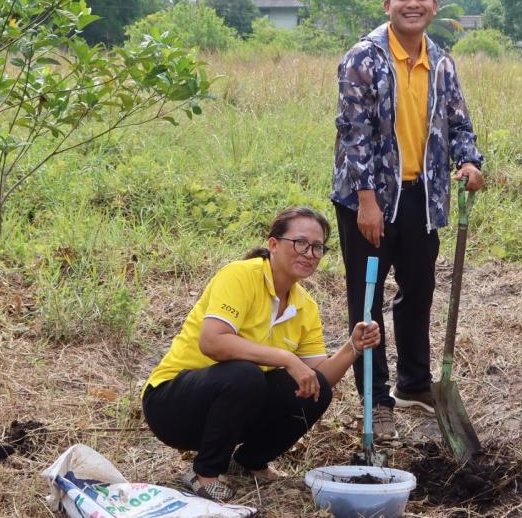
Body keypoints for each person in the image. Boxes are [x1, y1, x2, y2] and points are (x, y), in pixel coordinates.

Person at [331, 0, 484, 440]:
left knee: (417, 292)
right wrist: (365, 202)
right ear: (387, 6)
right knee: (368, 298)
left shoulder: (440, 60)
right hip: (370, 197)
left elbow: (459, 121)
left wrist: (470, 160)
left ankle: (414, 384)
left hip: (423, 195)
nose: (412, 4)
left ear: (434, 6)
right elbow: (352, 133)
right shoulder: (364, 57)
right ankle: (375, 397)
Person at [141, 207, 381, 502]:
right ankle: (205, 473)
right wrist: (286, 358)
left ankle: (250, 461)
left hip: (233, 409)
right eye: (301, 243)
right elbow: (213, 342)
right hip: (172, 405)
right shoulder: (240, 275)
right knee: (244, 373)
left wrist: (353, 347)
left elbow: (319, 377)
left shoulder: (305, 306)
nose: (309, 253)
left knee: (316, 390)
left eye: (317, 247)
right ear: (273, 244)